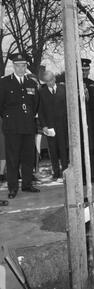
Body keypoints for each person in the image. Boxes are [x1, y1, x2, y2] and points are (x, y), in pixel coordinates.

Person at [0, 53, 40, 199]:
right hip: (12, 127)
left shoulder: (31, 83)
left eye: (23, 66)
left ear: (26, 66)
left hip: (28, 125)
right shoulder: (4, 82)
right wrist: (10, 117)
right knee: (12, 158)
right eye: (18, 66)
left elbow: (35, 104)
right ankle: (12, 187)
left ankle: (27, 184)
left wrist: (28, 116)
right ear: (13, 66)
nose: (21, 68)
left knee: (28, 157)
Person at [38, 71, 68, 181]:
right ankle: (56, 172)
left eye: (51, 80)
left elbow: (68, 106)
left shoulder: (63, 88)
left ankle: (65, 171)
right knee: (53, 150)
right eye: (47, 82)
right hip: (50, 126)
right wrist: (44, 126)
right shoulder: (41, 92)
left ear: (54, 78)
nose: (49, 83)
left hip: (63, 125)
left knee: (63, 149)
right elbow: (40, 111)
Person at [81, 58, 94, 184]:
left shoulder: (93, 84)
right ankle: (83, 176)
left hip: (92, 119)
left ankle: (93, 174)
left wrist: (87, 95)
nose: (84, 72)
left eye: (86, 70)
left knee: (93, 147)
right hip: (80, 120)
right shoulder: (72, 84)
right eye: (82, 70)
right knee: (82, 148)